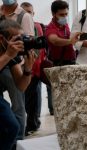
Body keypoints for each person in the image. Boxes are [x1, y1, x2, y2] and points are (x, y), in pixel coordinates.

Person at [0, 0, 35, 140]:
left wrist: (27, 69)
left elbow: (21, 86)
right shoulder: (9, 51)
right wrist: (8, 55)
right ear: (2, 39)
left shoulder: (11, 52)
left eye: (22, 38)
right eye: (16, 39)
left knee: (12, 126)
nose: (20, 43)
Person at [21, 2, 46, 136]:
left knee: (33, 99)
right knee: (27, 98)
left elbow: (37, 49)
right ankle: (32, 123)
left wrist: (28, 64)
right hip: (21, 69)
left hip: (33, 68)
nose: (28, 15)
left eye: (30, 12)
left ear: (33, 14)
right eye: (25, 12)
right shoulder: (18, 28)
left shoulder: (36, 26)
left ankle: (33, 124)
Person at [46, 0, 80, 66]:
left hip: (72, 61)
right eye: (61, 14)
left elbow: (69, 36)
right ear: (53, 14)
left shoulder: (64, 24)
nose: (64, 17)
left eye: (66, 14)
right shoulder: (50, 28)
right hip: (60, 64)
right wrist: (70, 41)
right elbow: (55, 41)